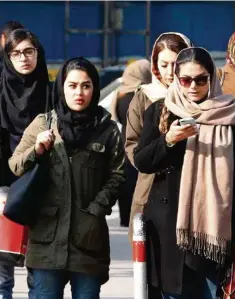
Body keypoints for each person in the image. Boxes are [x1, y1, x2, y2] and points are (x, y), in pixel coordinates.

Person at [133, 47, 235, 298]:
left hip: (216, 230)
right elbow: (142, 161)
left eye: (200, 79)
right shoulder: (161, 111)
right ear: (177, 79)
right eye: (186, 80)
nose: (193, 86)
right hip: (170, 229)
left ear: (211, 78)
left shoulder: (233, 116)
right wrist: (168, 140)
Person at [9, 57, 125, 299]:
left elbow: (118, 174)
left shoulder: (107, 129)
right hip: (46, 242)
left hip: (88, 243)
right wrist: (37, 150)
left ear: (94, 88)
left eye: (86, 85)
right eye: (72, 86)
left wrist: (95, 210)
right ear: (61, 87)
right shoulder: (43, 123)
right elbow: (15, 165)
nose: (79, 93)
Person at [125, 32, 192, 240]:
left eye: (176, 63)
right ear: (154, 64)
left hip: (190, 188)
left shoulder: (198, 95)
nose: (170, 72)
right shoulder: (144, 97)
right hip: (151, 187)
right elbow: (132, 144)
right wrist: (154, 157)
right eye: (163, 64)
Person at [0, 28, 49, 299]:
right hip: (6, 188)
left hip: (43, 188)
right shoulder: (0, 94)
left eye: (29, 51)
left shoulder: (52, 93)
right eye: (16, 53)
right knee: (3, 269)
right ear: (7, 57)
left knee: (40, 270)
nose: (23, 58)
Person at [109, 59, 151, 227]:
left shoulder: (119, 95)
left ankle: (126, 220)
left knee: (126, 185)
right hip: (140, 143)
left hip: (123, 143)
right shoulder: (141, 96)